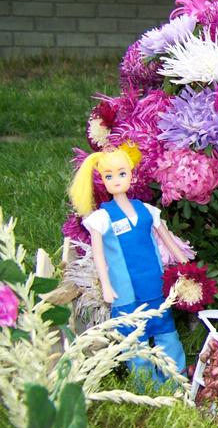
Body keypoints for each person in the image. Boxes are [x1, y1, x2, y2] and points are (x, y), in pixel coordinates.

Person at [69, 144, 188, 383]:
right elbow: (99, 256)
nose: (116, 180)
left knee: (166, 331)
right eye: (109, 176)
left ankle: (176, 380)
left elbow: (167, 239)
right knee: (135, 339)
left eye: (121, 173)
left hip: (154, 284)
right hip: (125, 290)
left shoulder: (147, 211)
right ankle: (147, 388)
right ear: (102, 180)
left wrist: (184, 263)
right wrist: (106, 285)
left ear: (132, 175)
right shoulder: (101, 218)